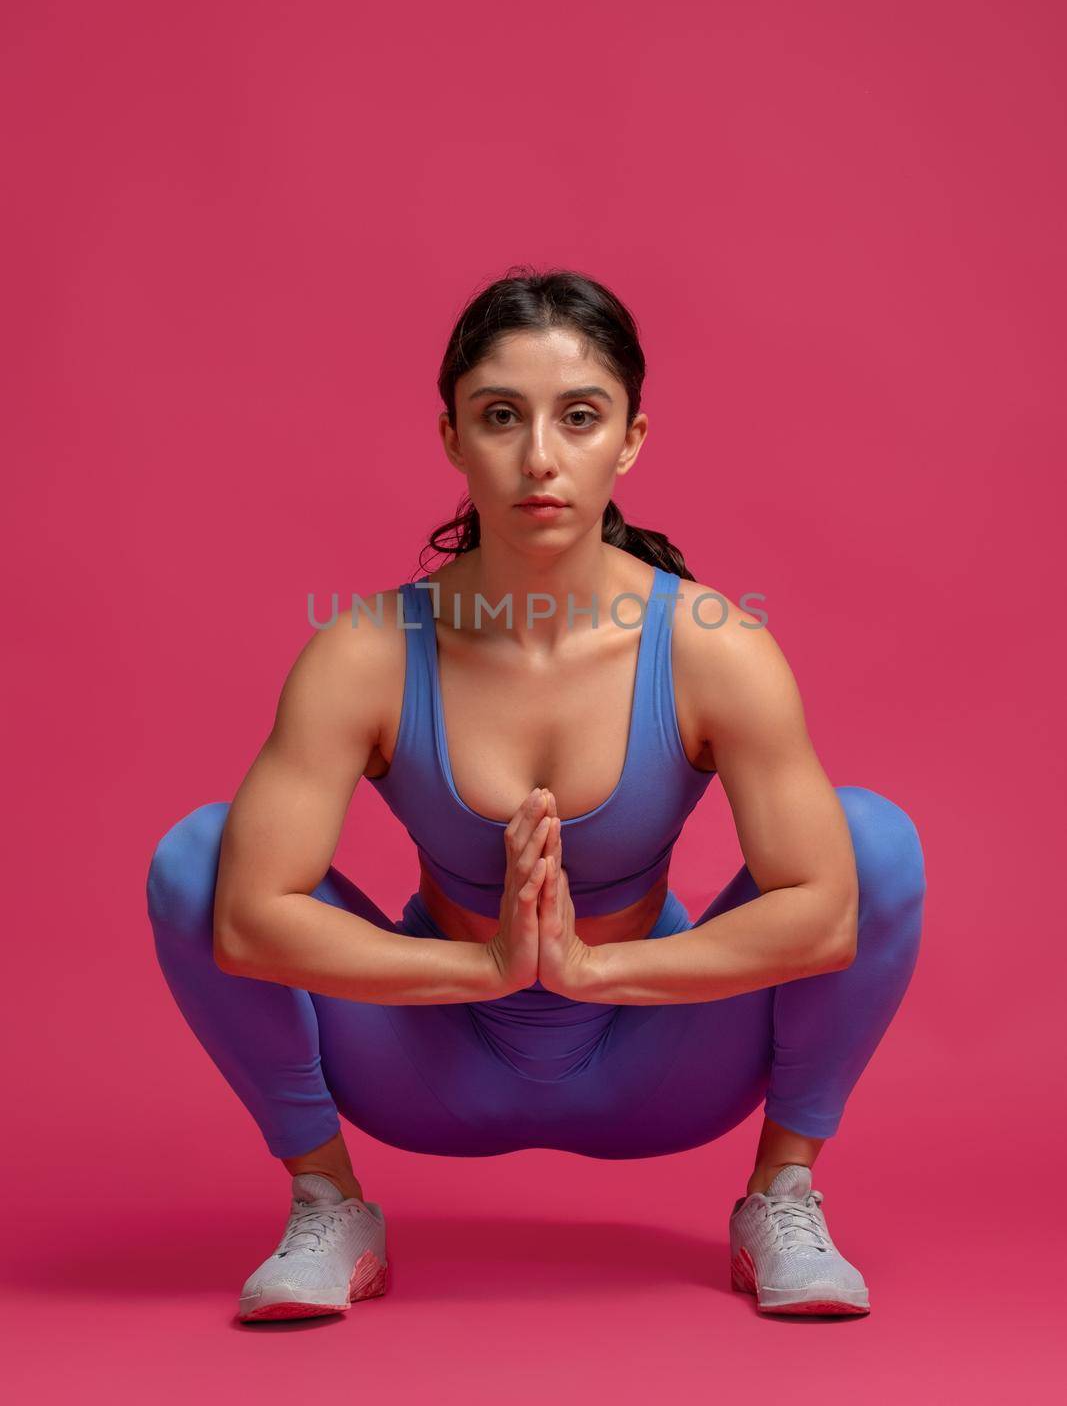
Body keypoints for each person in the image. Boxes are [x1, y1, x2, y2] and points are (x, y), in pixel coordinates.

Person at [146, 266, 925, 1322]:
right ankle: (327, 1200)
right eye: (500, 416)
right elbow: (244, 921)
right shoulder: (364, 650)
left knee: (869, 840)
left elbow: (829, 911)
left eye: (579, 416)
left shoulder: (712, 647)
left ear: (631, 439)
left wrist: (594, 967)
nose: (539, 457)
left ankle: (779, 1194)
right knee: (201, 856)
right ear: (451, 437)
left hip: (656, 1064)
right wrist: (485, 965)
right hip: (429, 1064)